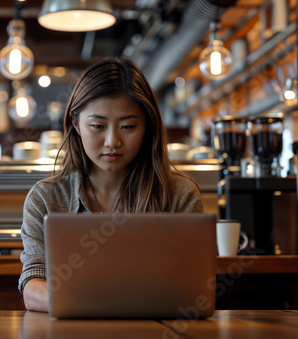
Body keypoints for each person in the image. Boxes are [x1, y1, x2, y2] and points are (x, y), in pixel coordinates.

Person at [19, 57, 205, 312]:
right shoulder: (46, 198)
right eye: (97, 126)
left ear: (148, 126)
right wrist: (100, 304)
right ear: (75, 123)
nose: (112, 141)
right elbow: (32, 286)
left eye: (128, 126)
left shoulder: (180, 195)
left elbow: (194, 287)